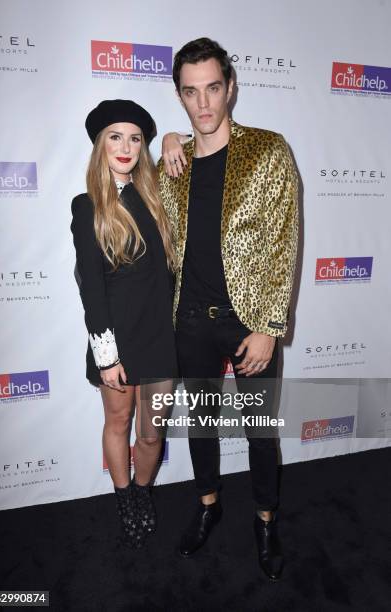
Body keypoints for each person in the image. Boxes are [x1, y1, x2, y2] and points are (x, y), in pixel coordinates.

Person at [158, 38, 298, 580]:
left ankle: (265, 520)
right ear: (180, 96)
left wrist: (268, 327)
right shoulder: (172, 162)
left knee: (261, 430)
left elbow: (284, 243)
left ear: (230, 86)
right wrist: (165, 140)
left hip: (248, 324)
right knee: (201, 424)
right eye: (191, 93)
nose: (203, 104)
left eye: (212, 88)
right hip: (189, 319)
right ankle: (208, 506)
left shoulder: (267, 150)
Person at [71, 99, 177, 549]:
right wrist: (107, 356)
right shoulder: (88, 205)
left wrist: (174, 138)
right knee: (119, 424)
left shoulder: (157, 198)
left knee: (152, 432)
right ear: (101, 144)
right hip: (115, 341)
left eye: (135, 138)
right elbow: (90, 288)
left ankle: (143, 492)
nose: (126, 146)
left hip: (160, 338)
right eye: (115, 136)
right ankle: (123, 500)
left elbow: (211, 149)